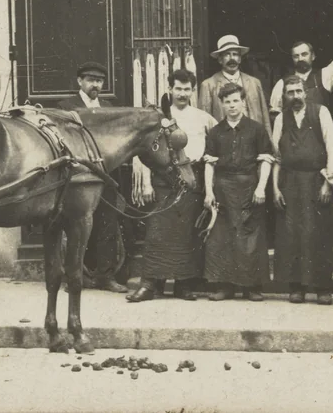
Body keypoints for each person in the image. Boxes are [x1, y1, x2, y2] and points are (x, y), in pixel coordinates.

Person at [127, 69, 218, 303]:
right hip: (164, 179)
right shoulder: (157, 118)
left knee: (187, 234)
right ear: (169, 89)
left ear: (193, 91)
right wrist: (146, 182)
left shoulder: (203, 118)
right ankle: (150, 285)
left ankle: (184, 285)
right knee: (157, 232)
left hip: (191, 179)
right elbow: (144, 151)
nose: (182, 93)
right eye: (178, 88)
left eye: (187, 89)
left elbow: (216, 147)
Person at [57, 61, 128, 294]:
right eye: (91, 80)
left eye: (99, 81)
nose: (95, 85)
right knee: (76, 225)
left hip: (105, 176)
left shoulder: (108, 108)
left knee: (107, 224)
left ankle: (105, 277)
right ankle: (76, 276)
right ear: (80, 82)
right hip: (78, 178)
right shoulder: (66, 107)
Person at [202, 83, 276, 301]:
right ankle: (225, 287)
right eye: (227, 101)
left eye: (236, 100)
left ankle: (251, 288)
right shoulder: (215, 133)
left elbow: (266, 160)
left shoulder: (256, 129)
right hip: (223, 190)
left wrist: (261, 187)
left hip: (249, 190)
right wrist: (209, 192)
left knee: (249, 239)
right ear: (221, 104)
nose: (232, 105)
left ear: (243, 101)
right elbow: (209, 164)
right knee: (222, 238)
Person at [270, 76, 333, 305]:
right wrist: (275, 189)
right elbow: (276, 156)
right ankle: (295, 287)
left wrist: (328, 182)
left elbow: (332, 148)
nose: (296, 96)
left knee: (318, 234)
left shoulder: (321, 113)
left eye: (299, 91)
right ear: (285, 96)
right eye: (291, 92)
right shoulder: (280, 119)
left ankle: (322, 288)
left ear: (306, 93)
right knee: (291, 235)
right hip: (290, 183)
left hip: (316, 182)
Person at [268, 18, 333, 115]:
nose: (300, 59)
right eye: (296, 56)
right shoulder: (282, 84)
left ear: (313, 56)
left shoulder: (324, 76)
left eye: (304, 54)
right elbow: (275, 114)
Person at [198, 35, 269, 124]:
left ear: (239, 59)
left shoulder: (254, 83)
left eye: (235, 54)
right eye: (227, 54)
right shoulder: (208, 85)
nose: (232, 59)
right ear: (220, 59)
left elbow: (265, 117)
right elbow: (203, 120)